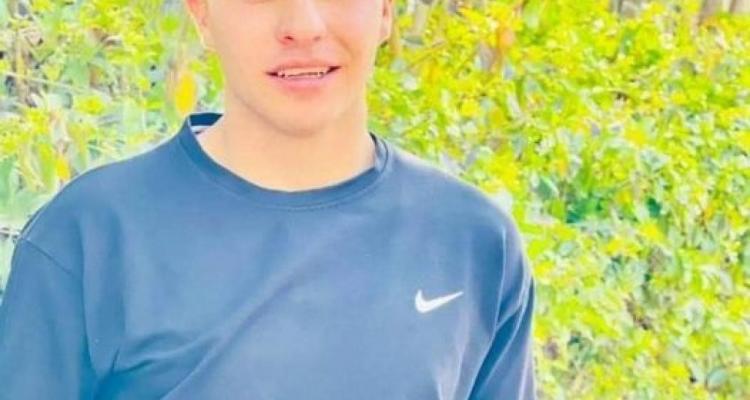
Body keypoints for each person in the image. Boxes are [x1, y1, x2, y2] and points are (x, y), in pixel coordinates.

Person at [0, 0, 537, 398]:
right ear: (202, 14)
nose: (303, 24)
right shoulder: (91, 236)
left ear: (385, 10)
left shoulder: (474, 242)